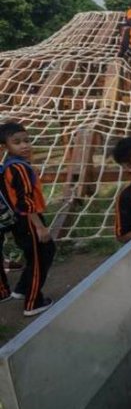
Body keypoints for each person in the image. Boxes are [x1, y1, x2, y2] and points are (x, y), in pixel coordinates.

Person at [0, 122, 55, 316]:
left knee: (35, 255)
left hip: (19, 220)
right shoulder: (19, 168)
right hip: (28, 219)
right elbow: (26, 200)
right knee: (42, 255)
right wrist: (39, 226)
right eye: (17, 142)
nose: (24, 146)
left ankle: (22, 289)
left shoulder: (9, 166)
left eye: (26, 140)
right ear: (5, 147)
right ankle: (33, 303)